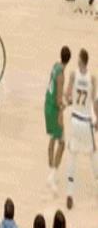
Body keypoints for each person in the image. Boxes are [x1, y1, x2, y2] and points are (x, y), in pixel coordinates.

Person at [65, 48, 98, 210]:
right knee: (93, 154)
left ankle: (70, 194)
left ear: (81, 60)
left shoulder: (73, 75)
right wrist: (97, 119)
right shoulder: (92, 79)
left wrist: (70, 101)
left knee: (72, 156)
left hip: (75, 120)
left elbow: (67, 95)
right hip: (85, 121)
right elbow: (95, 103)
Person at [45, 46, 71, 194]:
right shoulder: (61, 75)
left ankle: (51, 172)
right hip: (54, 110)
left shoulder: (55, 66)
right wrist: (65, 106)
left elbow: (55, 91)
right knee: (62, 143)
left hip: (47, 105)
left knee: (52, 139)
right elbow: (58, 100)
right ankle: (52, 175)